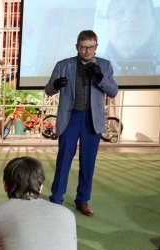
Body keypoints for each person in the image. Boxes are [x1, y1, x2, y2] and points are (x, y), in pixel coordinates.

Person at [44, 30, 119, 217]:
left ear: (96, 47)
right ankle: (56, 199)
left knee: (88, 162)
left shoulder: (104, 65)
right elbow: (48, 89)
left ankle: (83, 200)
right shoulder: (64, 65)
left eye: (91, 47)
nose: (87, 51)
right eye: (83, 47)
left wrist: (100, 79)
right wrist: (56, 85)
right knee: (63, 160)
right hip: (70, 118)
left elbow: (113, 91)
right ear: (77, 47)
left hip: (92, 120)